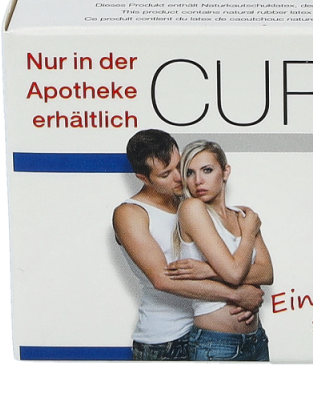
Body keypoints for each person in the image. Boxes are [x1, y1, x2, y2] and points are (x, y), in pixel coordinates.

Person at [113, 130, 263, 361]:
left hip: (207, 329)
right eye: (165, 174)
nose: (179, 177)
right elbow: (162, 279)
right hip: (166, 339)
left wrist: (216, 274)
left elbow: (233, 264)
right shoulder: (131, 213)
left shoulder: (193, 201)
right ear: (143, 178)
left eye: (179, 166)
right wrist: (236, 295)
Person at [173, 140, 273, 361]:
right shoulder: (192, 208)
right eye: (190, 173)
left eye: (207, 170)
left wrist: (208, 270)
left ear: (225, 172)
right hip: (215, 344)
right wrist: (248, 234)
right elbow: (234, 273)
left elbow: (267, 273)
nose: (198, 181)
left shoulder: (242, 215)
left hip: (256, 340)